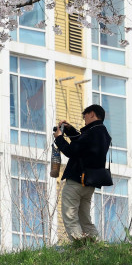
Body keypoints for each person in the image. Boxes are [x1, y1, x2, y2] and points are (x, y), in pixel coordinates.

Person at [53, 103, 112, 243]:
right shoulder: (102, 133)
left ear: (92, 114)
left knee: (70, 217)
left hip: (76, 182)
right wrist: (69, 129)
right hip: (89, 183)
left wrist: (59, 138)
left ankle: (79, 247)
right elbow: (82, 146)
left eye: (85, 115)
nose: (84, 118)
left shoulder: (91, 133)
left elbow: (71, 151)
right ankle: (97, 246)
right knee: (85, 219)